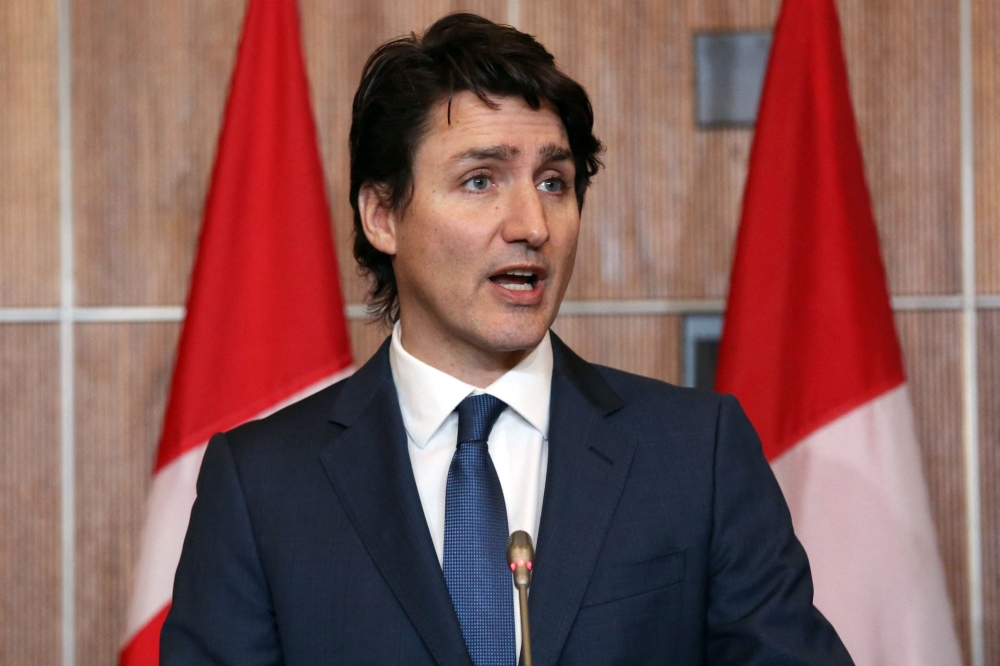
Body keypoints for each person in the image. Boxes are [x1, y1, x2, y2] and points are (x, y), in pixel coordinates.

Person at [162, 13, 853, 665]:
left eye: (554, 182)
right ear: (381, 216)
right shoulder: (262, 485)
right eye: (480, 180)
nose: (532, 224)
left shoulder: (697, 455)